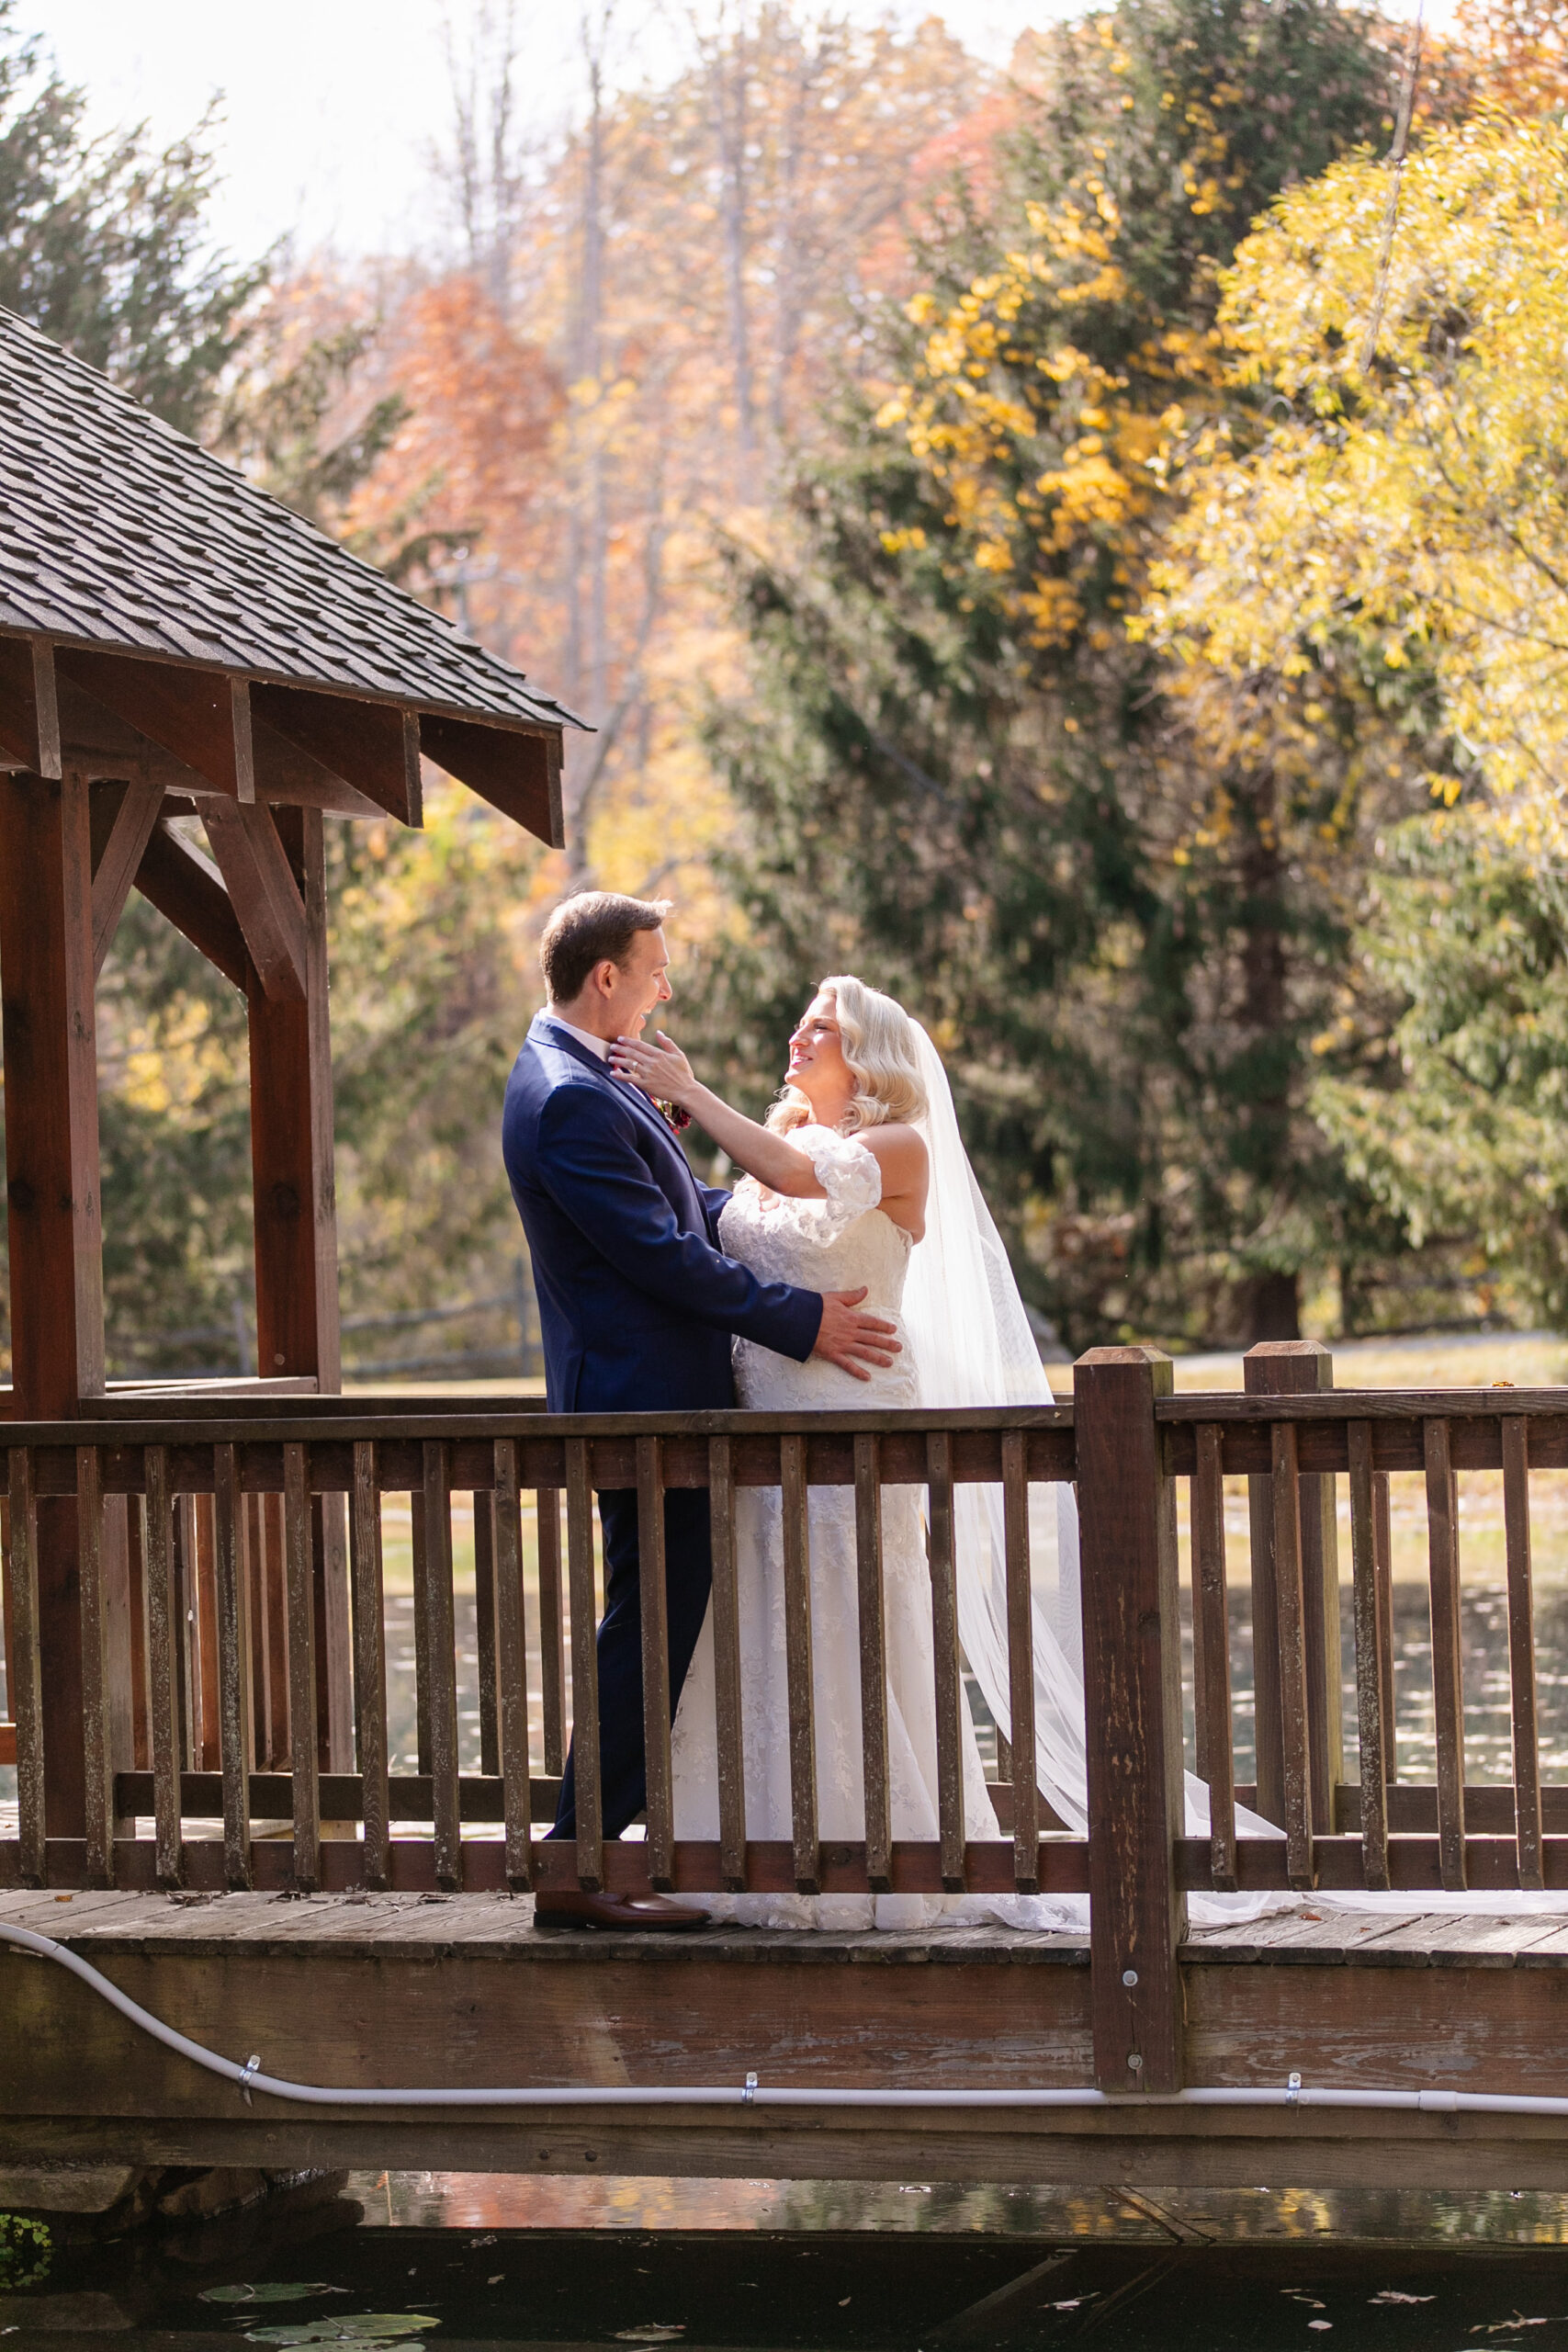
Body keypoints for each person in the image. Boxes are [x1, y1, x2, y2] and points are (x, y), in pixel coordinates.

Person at [608, 973, 1090, 1928]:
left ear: (865, 1051)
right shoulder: (780, 1139)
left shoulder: (899, 1147)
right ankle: (750, 1853)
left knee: (847, 1620)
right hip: (759, 1426)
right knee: (759, 1622)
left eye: (818, 1028)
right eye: (799, 1021)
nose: (797, 1036)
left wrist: (694, 1095)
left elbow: (800, 1186)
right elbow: (722, 1224)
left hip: (851, 1414)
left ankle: (883, 1863)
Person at [501, 896, 903, 1930]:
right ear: (607, 979)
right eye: (655, 969)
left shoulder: (594, 1075)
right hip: (642, 1407)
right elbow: (663, 1258)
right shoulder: (567, 1096)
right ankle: (575, 1867)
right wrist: (799, 1320)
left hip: (668, 1402)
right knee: (649, 1622)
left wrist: (754, 1193)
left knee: (665, 1616)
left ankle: (595, 1854)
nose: (665, 988)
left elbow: (692, 1209)